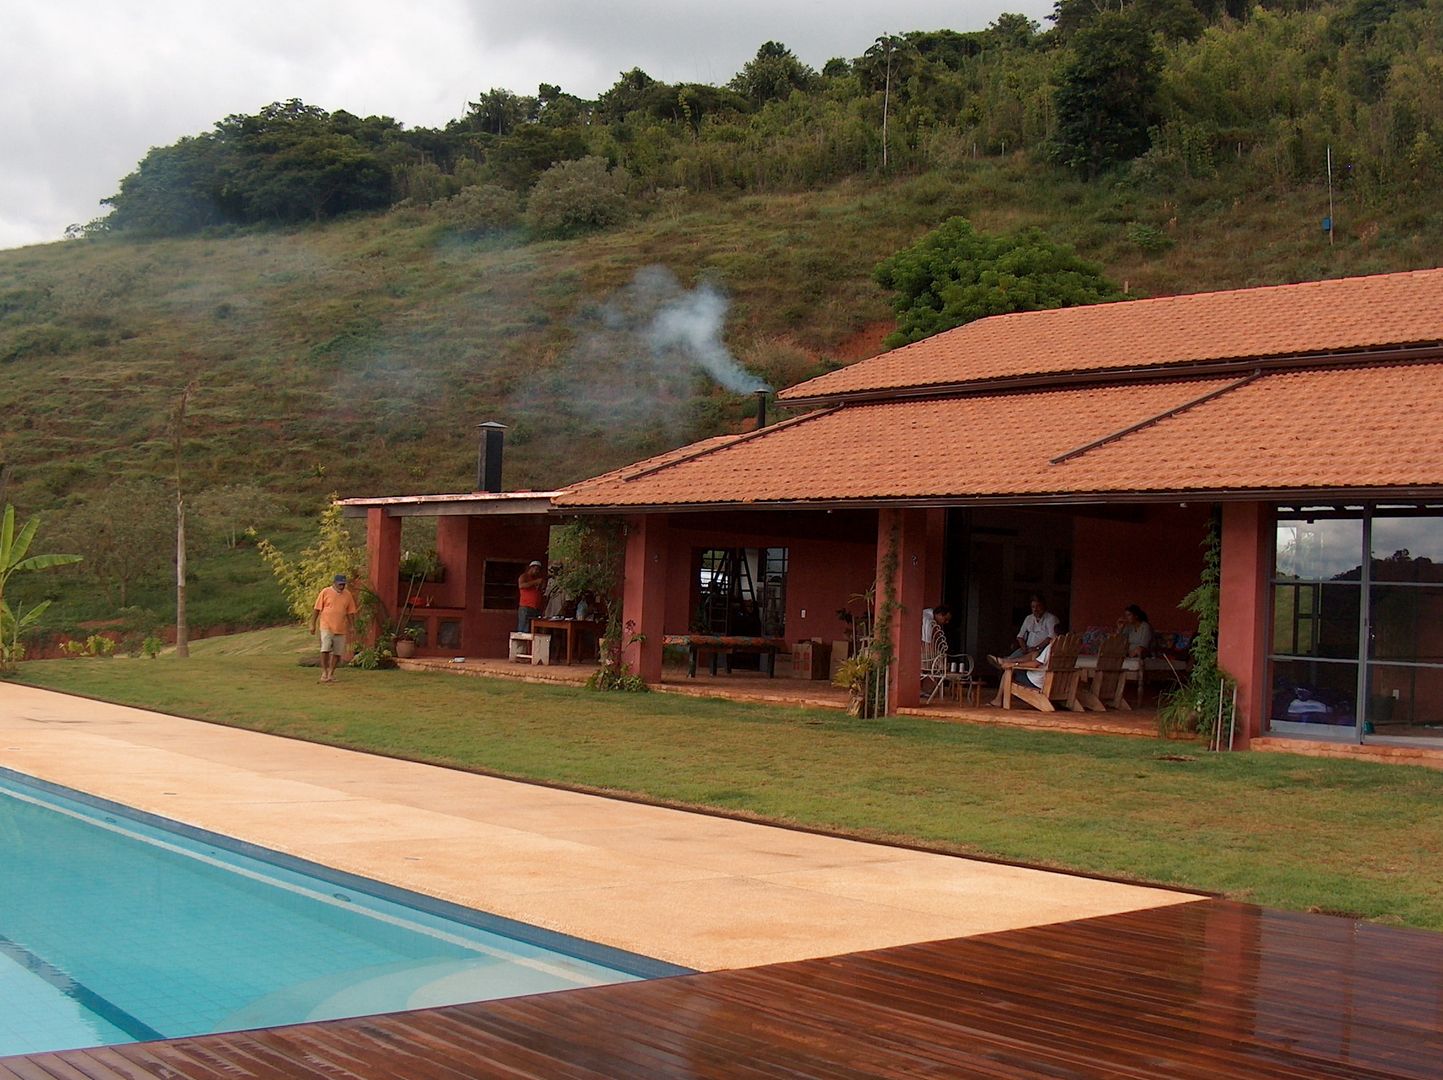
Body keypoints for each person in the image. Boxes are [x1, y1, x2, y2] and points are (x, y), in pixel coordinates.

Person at [309, 574, 358, 684]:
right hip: (326, 626)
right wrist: (312, 624)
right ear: (334, 583)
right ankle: (324, 672)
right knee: (325, 649)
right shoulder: (325, 592)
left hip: (340, 627)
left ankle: (331, 673)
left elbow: (350, 612)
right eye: (340, 584)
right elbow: (317, 609)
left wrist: (352, 626)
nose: (342, 586)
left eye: (343, 584)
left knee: (337, 652)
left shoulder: (347, 595)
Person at [989, 594, 1058, 668]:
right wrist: (1024, 648)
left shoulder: (1051, 619)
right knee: (1009, 659)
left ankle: (1003, 661)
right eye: (1033, 607)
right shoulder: (1029, 618)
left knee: (1012, 663)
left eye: (1038, 606)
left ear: (1043, 606)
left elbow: (1051, 637)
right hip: (1027, 648)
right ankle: (1002, 661)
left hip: (1041, 651)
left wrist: (1036, 648)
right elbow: (1020, 636)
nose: (1036, 609)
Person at [517, 560, 546, 633]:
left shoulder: (537, 578)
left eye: (538, 570)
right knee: (524, 629)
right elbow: (521, 585)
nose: (537, 571)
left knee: (534, 630)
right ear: (531, 568)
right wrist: (535, 582)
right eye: (536, 569)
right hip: (526, 607)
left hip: (536, 608)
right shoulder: (524, 576)